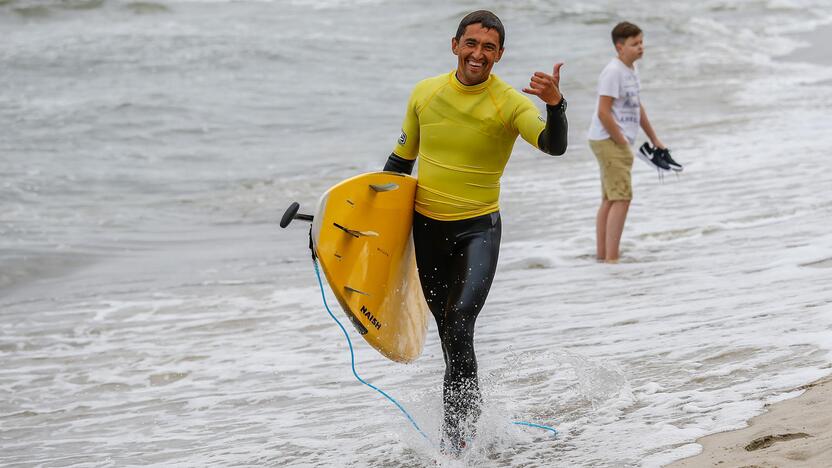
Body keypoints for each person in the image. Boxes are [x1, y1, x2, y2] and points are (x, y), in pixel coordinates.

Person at [381, 10, 568, 453]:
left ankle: (456, 441)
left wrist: (556, 104)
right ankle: (471, 429)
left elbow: (553, 146)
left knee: (460, 321)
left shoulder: (510, 103)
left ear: (499, 54)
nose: (477, 54)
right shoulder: (425, 94)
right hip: (426, 230)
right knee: (450, 334)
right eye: (471, 43)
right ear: (454, 45)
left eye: (488, 47)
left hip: (477, 230)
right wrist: (357, 225)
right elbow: (397, 166)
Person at [587, 21, 673, 263]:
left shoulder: (631, 70)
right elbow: (604, 112)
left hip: (611, 141)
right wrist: (622, 141)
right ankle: (612, 258)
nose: (640, 47)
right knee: (622, 198)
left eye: (641, 42)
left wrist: (654, 138)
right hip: (608, 140)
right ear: (619, 47)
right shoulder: (613, 72)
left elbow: (636, 106)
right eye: (635, 44)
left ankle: (603, 256)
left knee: (611, 198)